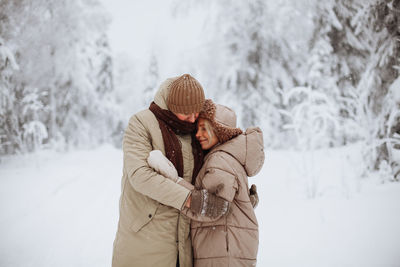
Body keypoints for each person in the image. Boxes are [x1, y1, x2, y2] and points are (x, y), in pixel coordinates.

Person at [112, 75, 230, 267]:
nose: (192, 119)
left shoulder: (196, 129)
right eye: (186, 113)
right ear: (173, 106)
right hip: (146, 238)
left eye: (196, 113)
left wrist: (240, 197)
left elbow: (217, 167)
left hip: (186, 241)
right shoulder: (141, 123)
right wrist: (192, 200)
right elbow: (140, 176)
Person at [148, 99, 264, 267]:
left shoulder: (219, 160)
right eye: (198, 128)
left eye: (204, 129)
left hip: (222, 250)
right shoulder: (229, 157)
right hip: (230, 246)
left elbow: (213, 207)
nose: (198, 134)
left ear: (220, 131)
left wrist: (174, 180)